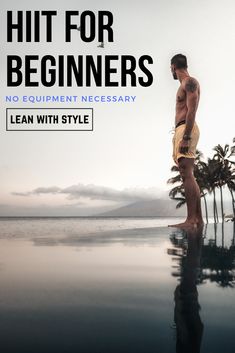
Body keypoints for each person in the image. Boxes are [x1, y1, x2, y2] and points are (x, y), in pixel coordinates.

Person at [169, 54, 204, 229]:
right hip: (182, 129)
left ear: (173, 67)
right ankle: (197, 219)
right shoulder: (186, 84)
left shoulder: (189, 82)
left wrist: (186, 136)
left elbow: (191, 110)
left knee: (186, 173)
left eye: (171, 69)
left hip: (187, 129)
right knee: (188, 173)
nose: (171, 71)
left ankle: (191, 220)